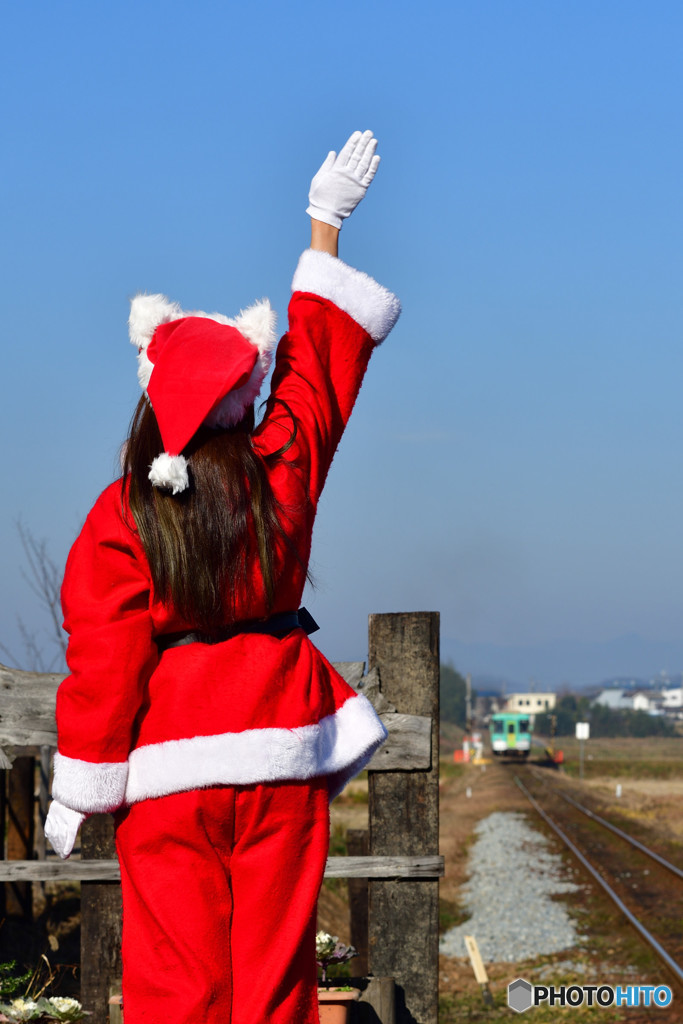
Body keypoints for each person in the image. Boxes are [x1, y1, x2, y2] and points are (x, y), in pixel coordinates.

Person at [45, 130, 401, 1024]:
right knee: (274, 981)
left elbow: (105, 658)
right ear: (246, 400)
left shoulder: (120, 513)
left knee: (177, 987)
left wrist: (78, 787)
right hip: (279, 754)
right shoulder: (280, 470)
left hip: (167, 774)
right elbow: (317, 376)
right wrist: (323, 227)